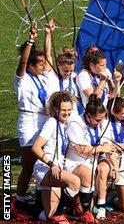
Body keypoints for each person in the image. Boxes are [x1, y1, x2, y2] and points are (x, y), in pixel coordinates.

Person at [31, 91, 81, 223]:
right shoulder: (52, 122)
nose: (67, 113)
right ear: (55, 109)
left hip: (54, 168)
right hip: (45, 168)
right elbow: (36, 147)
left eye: (69, 110)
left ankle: (34, 212)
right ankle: (59, 214)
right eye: (63, 110)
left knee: (48, 215)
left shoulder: (64, 125)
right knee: (75, 182)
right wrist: (51, 164)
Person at [65, 94, 116, 223]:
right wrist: (100, 149)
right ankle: (81, 210)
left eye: (102, 119)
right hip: (75, 161)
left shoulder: (100, 122)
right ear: (88, 115)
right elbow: (80, 149)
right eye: (98, 120)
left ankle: (96, 206)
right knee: (86, 174)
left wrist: (115, 166)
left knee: (105, 168)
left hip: (92, 160)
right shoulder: (75, 123)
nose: (100, 122)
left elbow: (105, 144)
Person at [14, 26, 50, 208]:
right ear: (31, 65)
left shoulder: (42, 78)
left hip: (44, 120)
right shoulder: (22, 78)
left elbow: (49, 59)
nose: (44, 66)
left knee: (43, 160)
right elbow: (22, 62)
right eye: (40, 64)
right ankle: (18, 200)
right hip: (28, 122)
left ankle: (38, 197)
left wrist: (47, 35)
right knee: (28, 163)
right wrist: (30, 40)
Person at [43, 20, 80, 114]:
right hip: (55, 116)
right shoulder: (51, 75)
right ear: (58, 64)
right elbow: (47, 55)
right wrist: (48, 33)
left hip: (72, 117)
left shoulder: (75, 77)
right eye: (65, 71)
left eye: (71, 71)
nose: (68, 73)